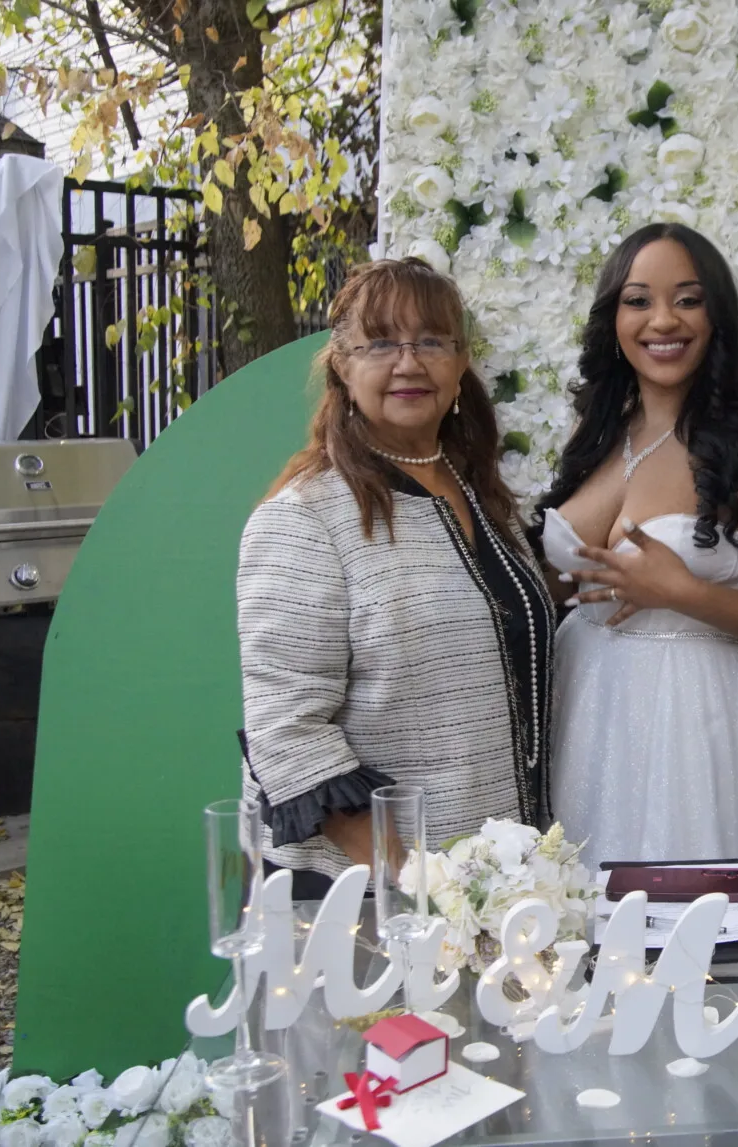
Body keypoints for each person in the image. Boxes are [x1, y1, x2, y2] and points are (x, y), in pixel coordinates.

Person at [236, 258, 555, 896]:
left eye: (431, 341)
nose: (408, 362)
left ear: (461, 363)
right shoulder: (305, 518)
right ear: (341, 366)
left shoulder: (485, 499)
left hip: (498, 885)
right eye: (380, 342)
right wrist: (421, 886)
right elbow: (288, 734)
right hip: (369, 898)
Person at [534, 223, 738, 872]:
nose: (662, 319)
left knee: (697, 944)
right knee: (580, 943)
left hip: (693, 722)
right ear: (613, 317)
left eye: (688, 299)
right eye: (638, 300)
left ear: (717, 314)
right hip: (586, 711)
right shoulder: (598, 433)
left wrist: (684, 593)